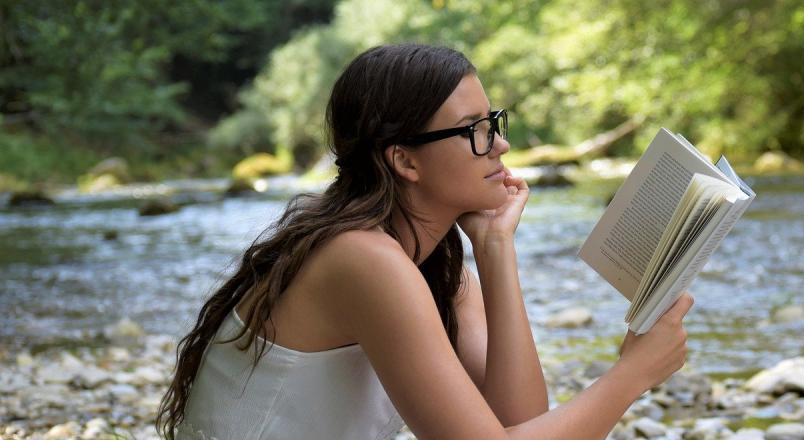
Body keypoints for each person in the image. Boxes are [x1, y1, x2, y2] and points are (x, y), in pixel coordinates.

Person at [156, 43, 694, 439]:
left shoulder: (431, 267)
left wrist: (495, 248)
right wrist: (631, 375)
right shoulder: (361, 258)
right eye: (474, 129)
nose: (500, 144)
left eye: (494, 121)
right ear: (405, 160)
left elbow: (520, 420)